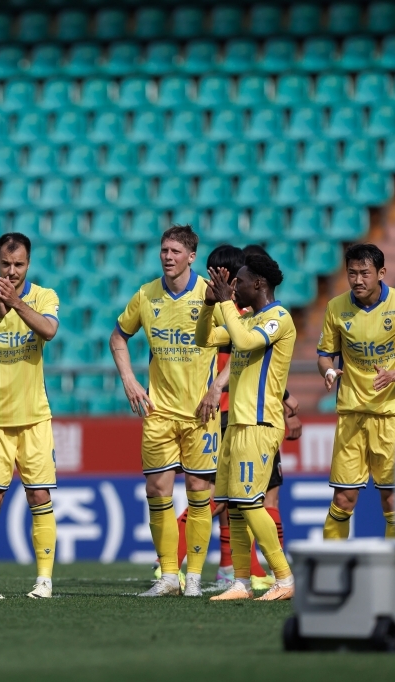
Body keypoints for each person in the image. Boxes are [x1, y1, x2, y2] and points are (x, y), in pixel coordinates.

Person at [109, 225, 219, 598]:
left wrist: (217, 389)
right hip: (158, 412)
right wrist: (129, 379)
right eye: (163, 250)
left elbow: (240, 346)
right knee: (157, 491)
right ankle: (169, 575)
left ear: (191, 256)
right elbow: (118, 336)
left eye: (175, 251)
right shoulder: (146, 295)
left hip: (200, 415)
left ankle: (195, 578)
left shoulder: (211, 295)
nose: (167, 256)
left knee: (199, 491)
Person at [0, 233, 60, 599]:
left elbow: (49, 330)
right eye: (6, 264)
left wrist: (17, 304)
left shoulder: (45, 296)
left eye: (19, 265)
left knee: (40, 497)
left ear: (28, 264)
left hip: (34, 417)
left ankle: (44, 580)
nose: (12, 271)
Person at [197, 253, 296, 601]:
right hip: (236, 424)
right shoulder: (249, 319)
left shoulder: (278, 319)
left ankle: (283, 578)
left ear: (260, 284)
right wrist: (211, 306)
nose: (234, 286)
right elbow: (204, 339)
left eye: (239, 281)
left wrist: (225, 302)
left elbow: (245, 342)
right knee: (234, 506)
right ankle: (240, 581)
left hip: (260, 423)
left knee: (251, 503)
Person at [318, 244, 395, 540]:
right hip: (351, 415)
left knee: (392, 500)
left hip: (390, 416)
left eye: (364, 273)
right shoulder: (336, 307)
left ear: (381, 273)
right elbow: (325, 355)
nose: (357, 280)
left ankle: (394, 575)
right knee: (342, 499)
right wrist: (328, 370)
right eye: (351, 273)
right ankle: (332, 574)